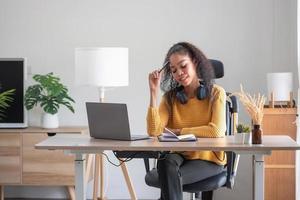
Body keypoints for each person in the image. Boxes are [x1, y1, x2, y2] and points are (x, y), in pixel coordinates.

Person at [147, 42, 227, 200]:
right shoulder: (170, 98)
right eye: (174, 70)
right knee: (164, 162)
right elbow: (154, 131)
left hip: (208, 159)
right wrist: (153, 92)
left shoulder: (216, 93)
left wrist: (179, 131)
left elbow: (216, 131)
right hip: (179, 156)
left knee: (168, 179)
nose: (179, 73)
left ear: (195, 63)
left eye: (183, 66)